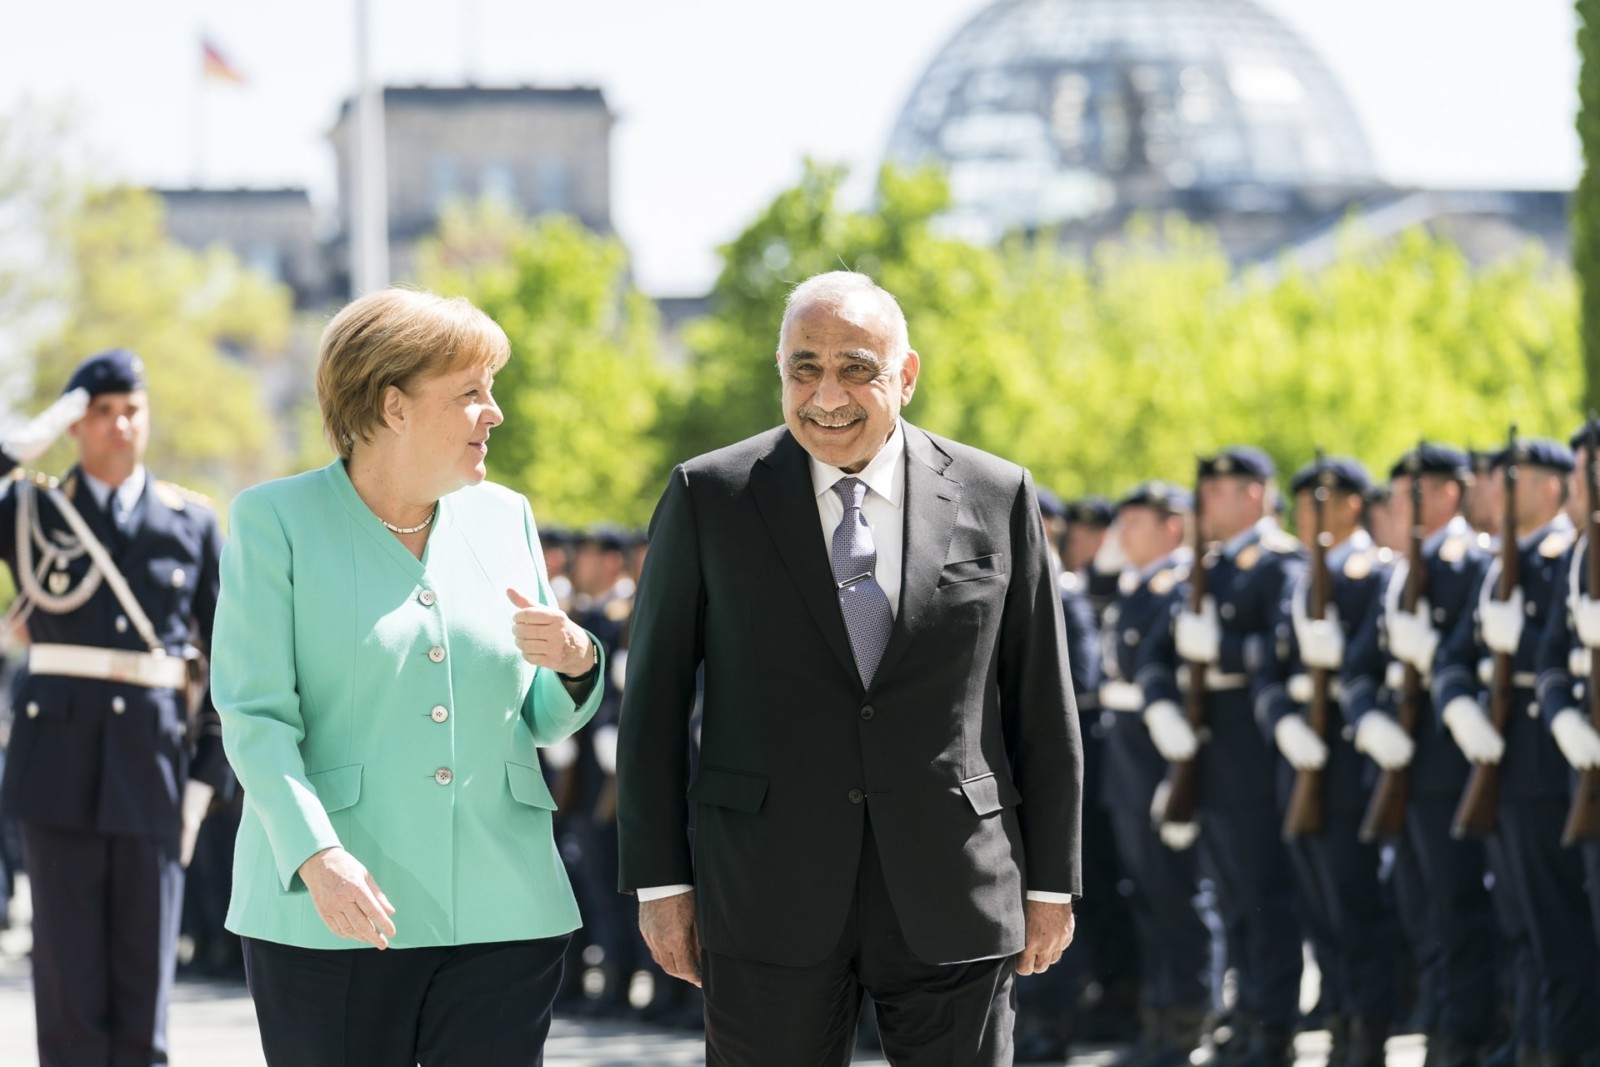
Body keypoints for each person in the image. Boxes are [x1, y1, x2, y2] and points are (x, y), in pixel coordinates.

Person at [615, 270, 1083, 1065]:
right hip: (766, 891)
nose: (826, 393)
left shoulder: (996, 493)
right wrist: (662, 886)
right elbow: (653, 705)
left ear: (905, 373)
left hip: (955, 887)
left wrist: (1052, 884)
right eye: (805, 367)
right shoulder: (709, 495)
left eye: (856, 367)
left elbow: (1041, 702)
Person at [210, 288, 606, 1066]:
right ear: (392, 404)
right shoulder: (273, 522)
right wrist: (316, 858)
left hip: (506, 905)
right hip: (333, 909)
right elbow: (255, 719)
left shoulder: (506, 516)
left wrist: (575, 661)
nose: (493, 412)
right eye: (470, 392)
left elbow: (536, 717)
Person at [0, 349, 230, 1065]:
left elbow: (227, 659)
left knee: (143, 989)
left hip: (153, 769)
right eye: (99, 412)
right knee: (68, 990)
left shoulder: (189, 520)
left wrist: (205, 774)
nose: (118, 425)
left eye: (130, 409)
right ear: (76, 424)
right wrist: (24, 443)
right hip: (56, 768)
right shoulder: (30, 506)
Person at [1137, 447, 1305, 1067]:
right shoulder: (1205, 567)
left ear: (1254, 494)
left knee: (1264, 897)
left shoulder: (1278, 564)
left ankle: (1272, 1024)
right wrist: (1160, 707)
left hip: (1253, 752)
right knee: (1232, 898)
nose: (1205, 503)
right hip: (1204, 753)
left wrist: (1227, 650)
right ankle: (1244, 1014)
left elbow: (1284, 650)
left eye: (1218, 491)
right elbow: (1154, 654)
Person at [1433, 438, 1596, 1065]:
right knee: (1523, 920)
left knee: (1558, 927)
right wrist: (1459, 705)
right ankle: (1535, 1041)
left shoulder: (1562, 552)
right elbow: (1458, 654)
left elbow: (1554, 654)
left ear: (1551, 486)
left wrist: (1524, 646)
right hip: (1511, 758)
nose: (1496, 490)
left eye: (1514, 478)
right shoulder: (1505, 558)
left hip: (1549, 764)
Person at [1342, 443, 1499, 1066]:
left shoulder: (1467, 563)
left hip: (1446, 763)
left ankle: (1461, 1036)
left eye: (1414, 490)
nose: (1399, 503)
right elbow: (1361, 664)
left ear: (1447, 494)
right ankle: (1439, 1026)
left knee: (1455, 906)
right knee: (1419, 907)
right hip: (1401, 760)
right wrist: (1369, 719)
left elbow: (1476, 660)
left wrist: (1431, 660)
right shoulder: (1405, 566)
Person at [1256, 457, 1396, 1067]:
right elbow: (1272, 665)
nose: (1307, 514)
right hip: (1302, 757)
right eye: (1302, 504)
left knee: (1352, 899)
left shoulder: (1372, 573)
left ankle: (1366, 1031)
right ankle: (1338, 1016)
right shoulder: (1298, 575)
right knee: (1317, 903)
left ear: (1352, 505)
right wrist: (1282, 722)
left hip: (1344, 753)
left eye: (1320, 501)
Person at [1102, 480, 1214, 1067]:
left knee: (1179, 895)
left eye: (1136, 521)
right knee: (1150, 897)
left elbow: (1170, 682)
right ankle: (1162, 1015)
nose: (1122, 533)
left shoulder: (1176, 588)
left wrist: (1179, 776)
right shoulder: (1137, 587)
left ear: (1172, 527)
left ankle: (1190, 1017)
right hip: (1129, 765)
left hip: (1161, 761)